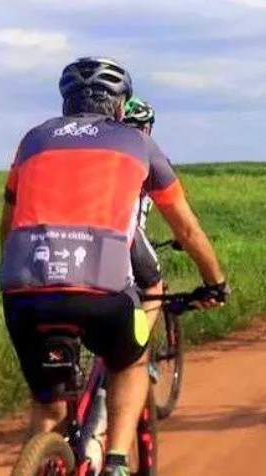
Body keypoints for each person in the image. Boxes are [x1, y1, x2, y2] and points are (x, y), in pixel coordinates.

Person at [0, 57, 230, 476]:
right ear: (120, 106)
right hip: (102, 292)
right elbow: (189, 230)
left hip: (23, 292)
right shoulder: (138, 143)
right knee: (131, 363)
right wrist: (216, 282)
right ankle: (118, 461)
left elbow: (7, 227)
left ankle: (44, 456)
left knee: (48, 407)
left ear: (66, 103)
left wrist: (27, 276)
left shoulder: (32, 140)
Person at [120, 96, 166, 381]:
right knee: (153, 286)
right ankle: (139, 354)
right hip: (127, 237)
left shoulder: (103, 153)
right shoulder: (148, 157)